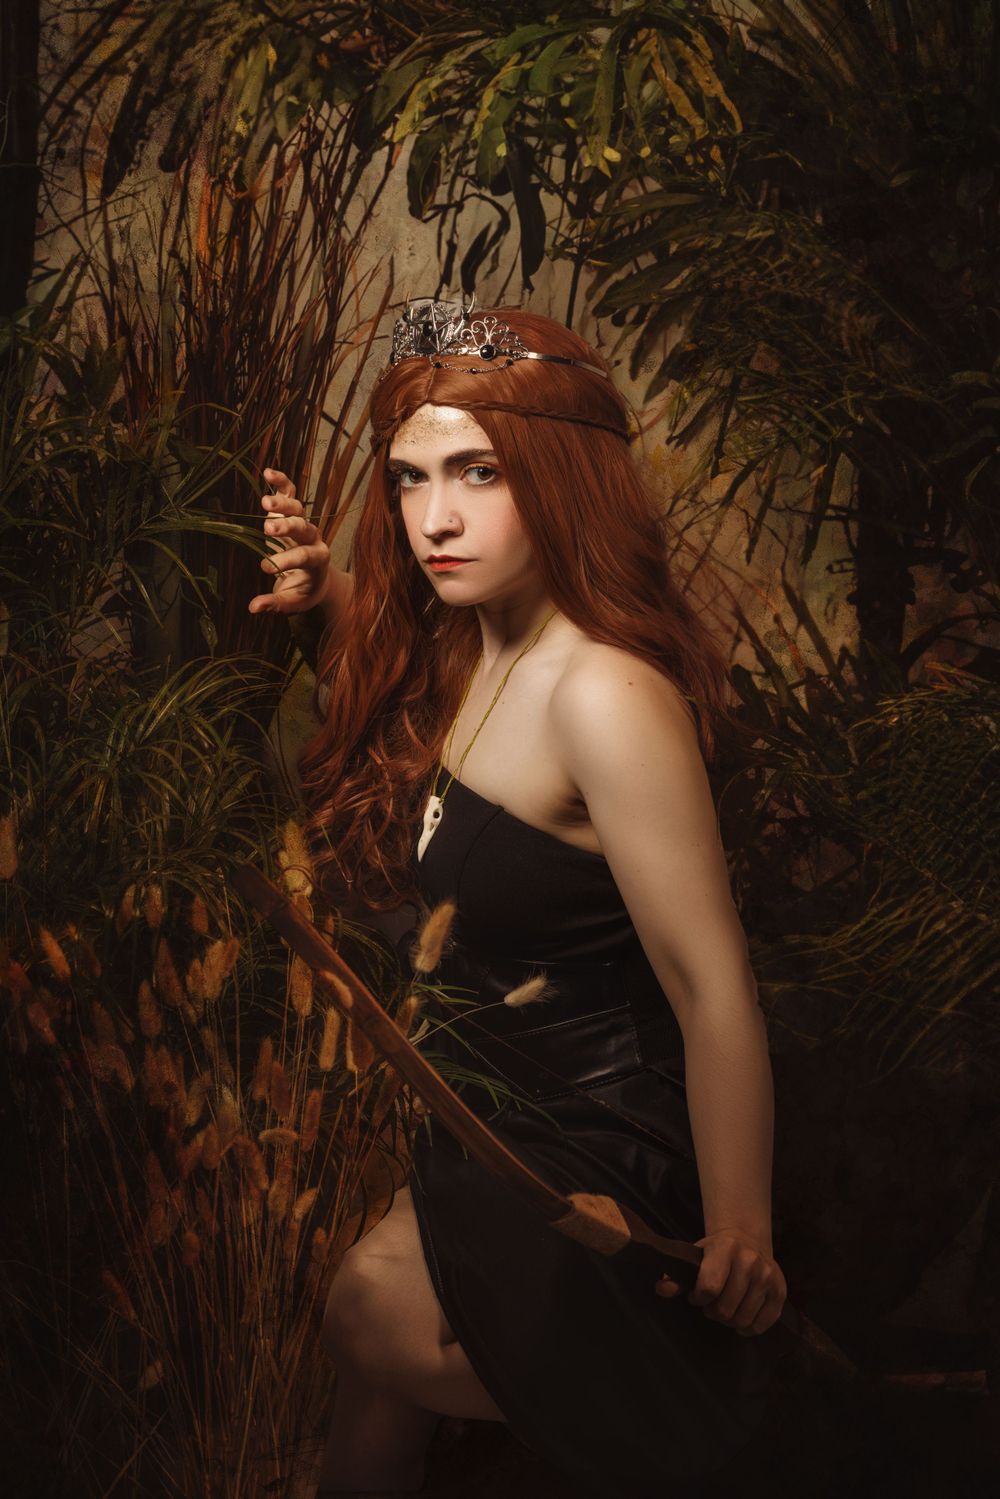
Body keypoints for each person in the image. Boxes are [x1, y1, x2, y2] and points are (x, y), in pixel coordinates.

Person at [248, 299, 790, 1499]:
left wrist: (740, 1228)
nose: (434, 518)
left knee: (367, 1308)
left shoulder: (603, 695)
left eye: (478, 473)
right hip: (488, 1105)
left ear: (560, 476)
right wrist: (333, 599)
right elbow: (438, 734)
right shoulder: (471, 646)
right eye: (409, 479)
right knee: (374, 1397)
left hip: (599, 1135)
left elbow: (710, 983)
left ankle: (686, 1393)